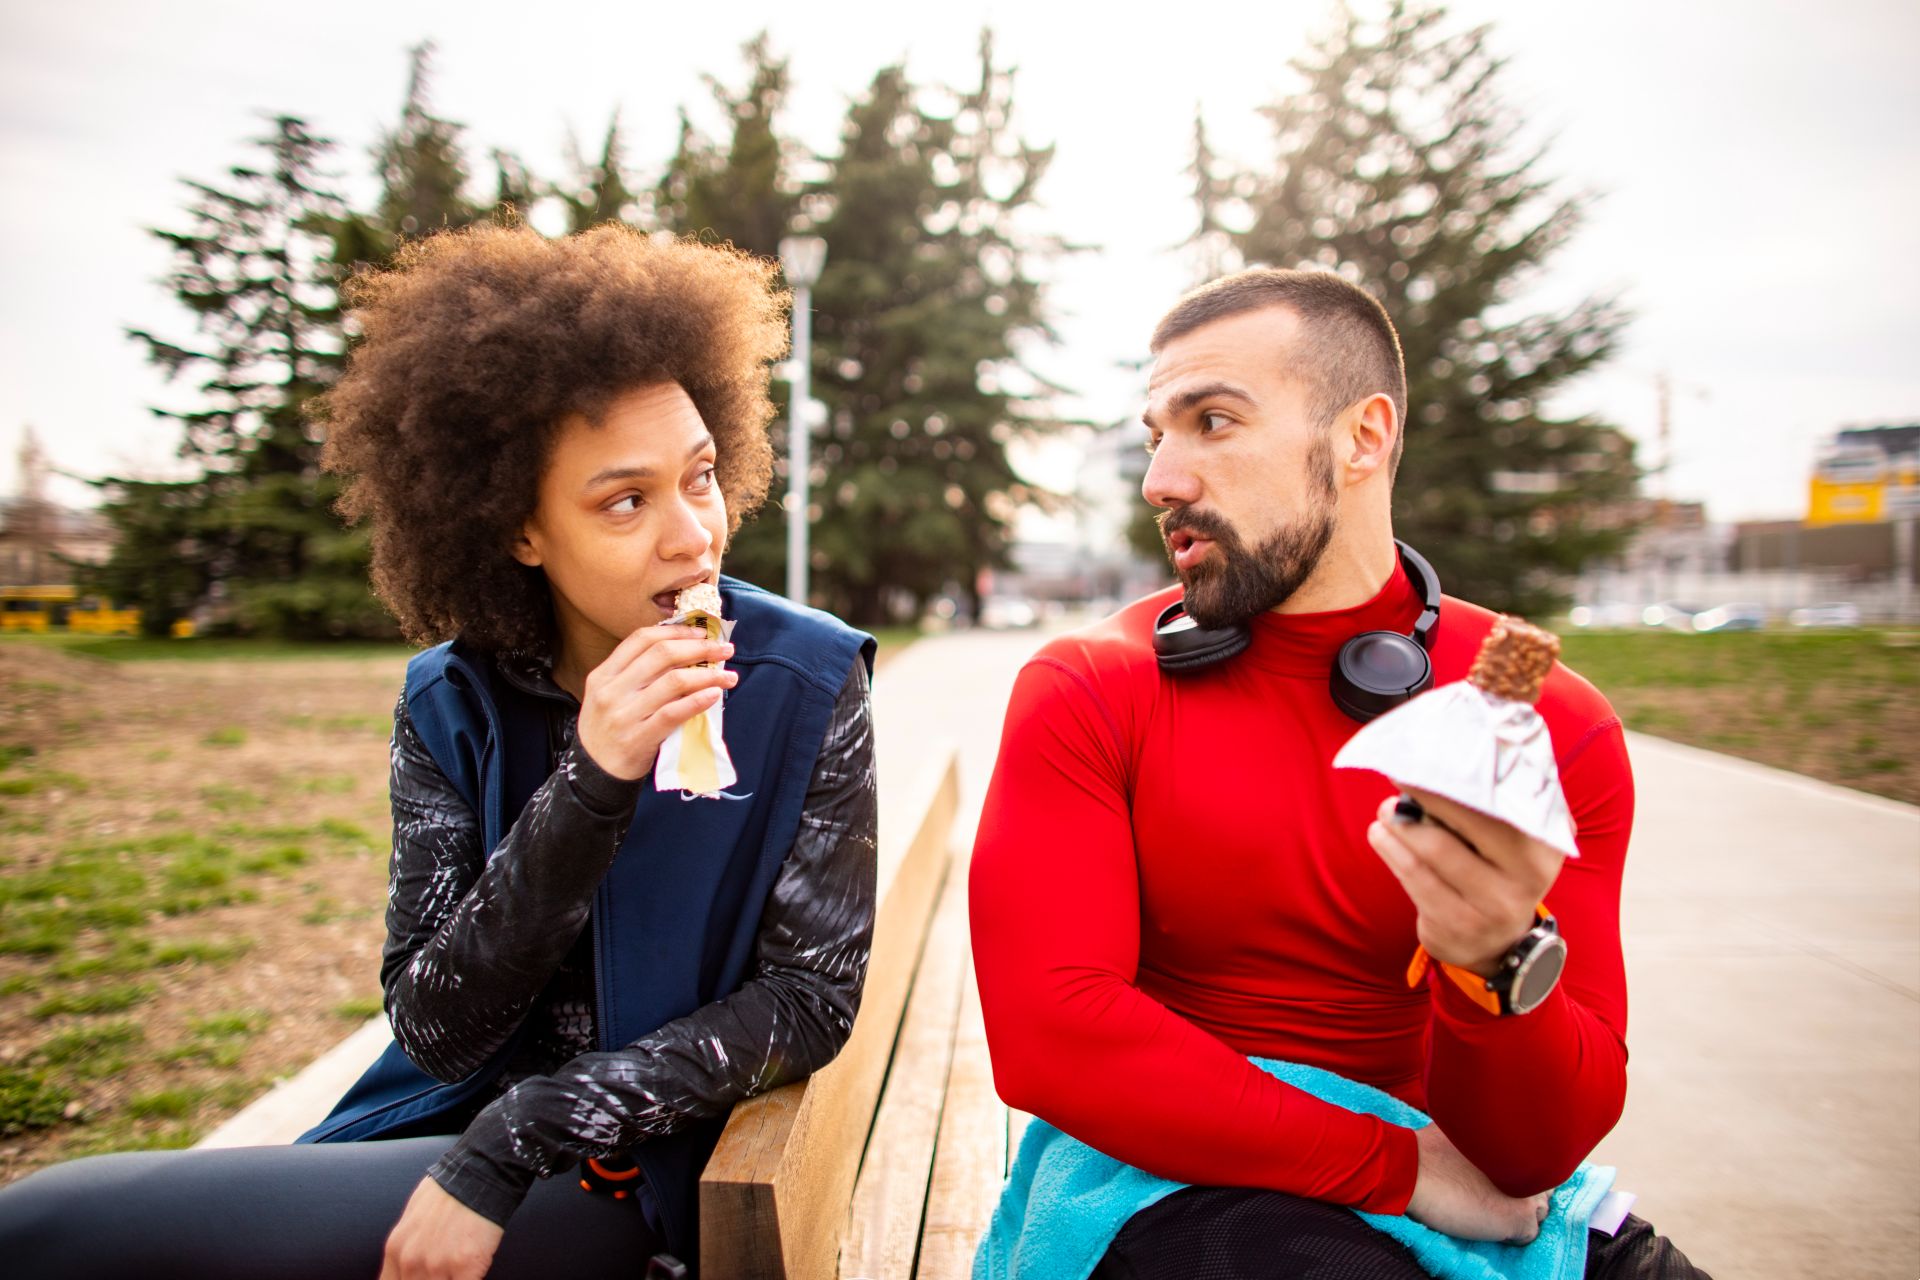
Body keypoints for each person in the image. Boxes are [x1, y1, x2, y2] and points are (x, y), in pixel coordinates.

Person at [0, 224, 878, 1280]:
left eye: (699, 476)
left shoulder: (808, 680)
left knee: (48, 1231)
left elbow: (808, 999)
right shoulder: (450, 699)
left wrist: (523, 1136)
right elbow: (435, 1024)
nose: (693, 534)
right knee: (50, 1224)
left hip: (634, 1170)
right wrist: (588, 783)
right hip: (440, 1128)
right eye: (625, 499)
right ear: (519, 529)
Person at [969, 268, 1710, 1278]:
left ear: (1364, 437)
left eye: (1214, 422)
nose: (1161, 479)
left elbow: (1540, 1151)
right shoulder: (1091, 688)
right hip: (1187, 1182)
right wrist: (1395, 1167)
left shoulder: (1551, 728)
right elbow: (1052, 1036)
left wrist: (1492, 960)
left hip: (1483, 1193)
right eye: (1156, 434)